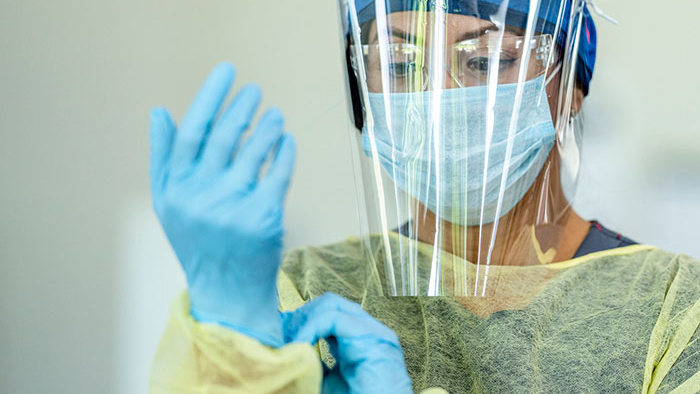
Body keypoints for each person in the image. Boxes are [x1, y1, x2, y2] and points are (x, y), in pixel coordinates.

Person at [148, 1, 700, 393]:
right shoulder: (301, 296)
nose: (436, 97)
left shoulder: (674, 313)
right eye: (396, 65)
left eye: (485, 61)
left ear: (571, 85)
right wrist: (228, 330)